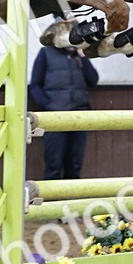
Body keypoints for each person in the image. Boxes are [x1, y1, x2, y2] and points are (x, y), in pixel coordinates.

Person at [29, 34, 100, 180]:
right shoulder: (46, 53)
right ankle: (51, 195)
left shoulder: (79, 55)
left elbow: (93, 80)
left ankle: (72, 195)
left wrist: (83, 56)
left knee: (75, 165)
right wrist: (48, 104)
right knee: (53, 164)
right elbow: (35, 85)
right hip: (55, 118)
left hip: (79, 117)